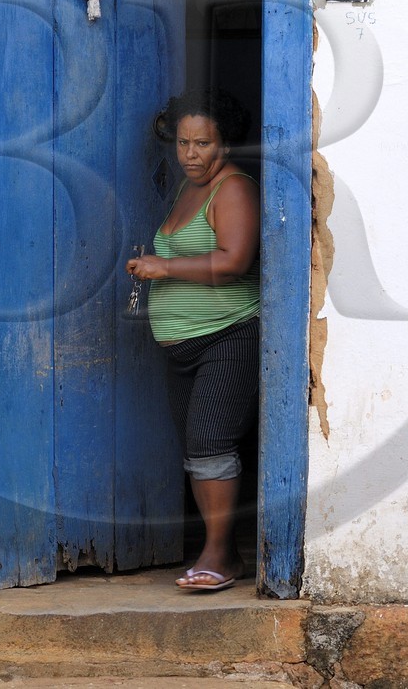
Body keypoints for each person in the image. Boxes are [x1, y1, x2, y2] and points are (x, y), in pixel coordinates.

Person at [125, 88, 259, 591]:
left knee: (211, 442)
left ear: (224, 143)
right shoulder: (188, 190)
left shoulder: (234, 189)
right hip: (183, 345)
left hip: (228, 336)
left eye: (202, 143)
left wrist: (164, 266)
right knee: (198, 449)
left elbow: (233, 260)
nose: (190, 154)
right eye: (183, 143)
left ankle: (220, 556)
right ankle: (219, 551)